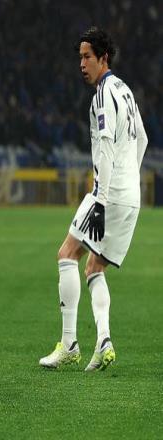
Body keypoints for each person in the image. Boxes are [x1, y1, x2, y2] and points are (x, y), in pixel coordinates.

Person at [39, 27, 148, 371]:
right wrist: (129, 179)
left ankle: (70, 344)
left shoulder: (103, 95)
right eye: (80, 58)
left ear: (104, 58)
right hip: (131, 195)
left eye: (87, 57)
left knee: (66, 254)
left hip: (109, 195)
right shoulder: (125, 91)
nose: (82, 64)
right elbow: (142, 139)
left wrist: (101, 199)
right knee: (94, 267)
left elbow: (104, 146)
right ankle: (103, 341)